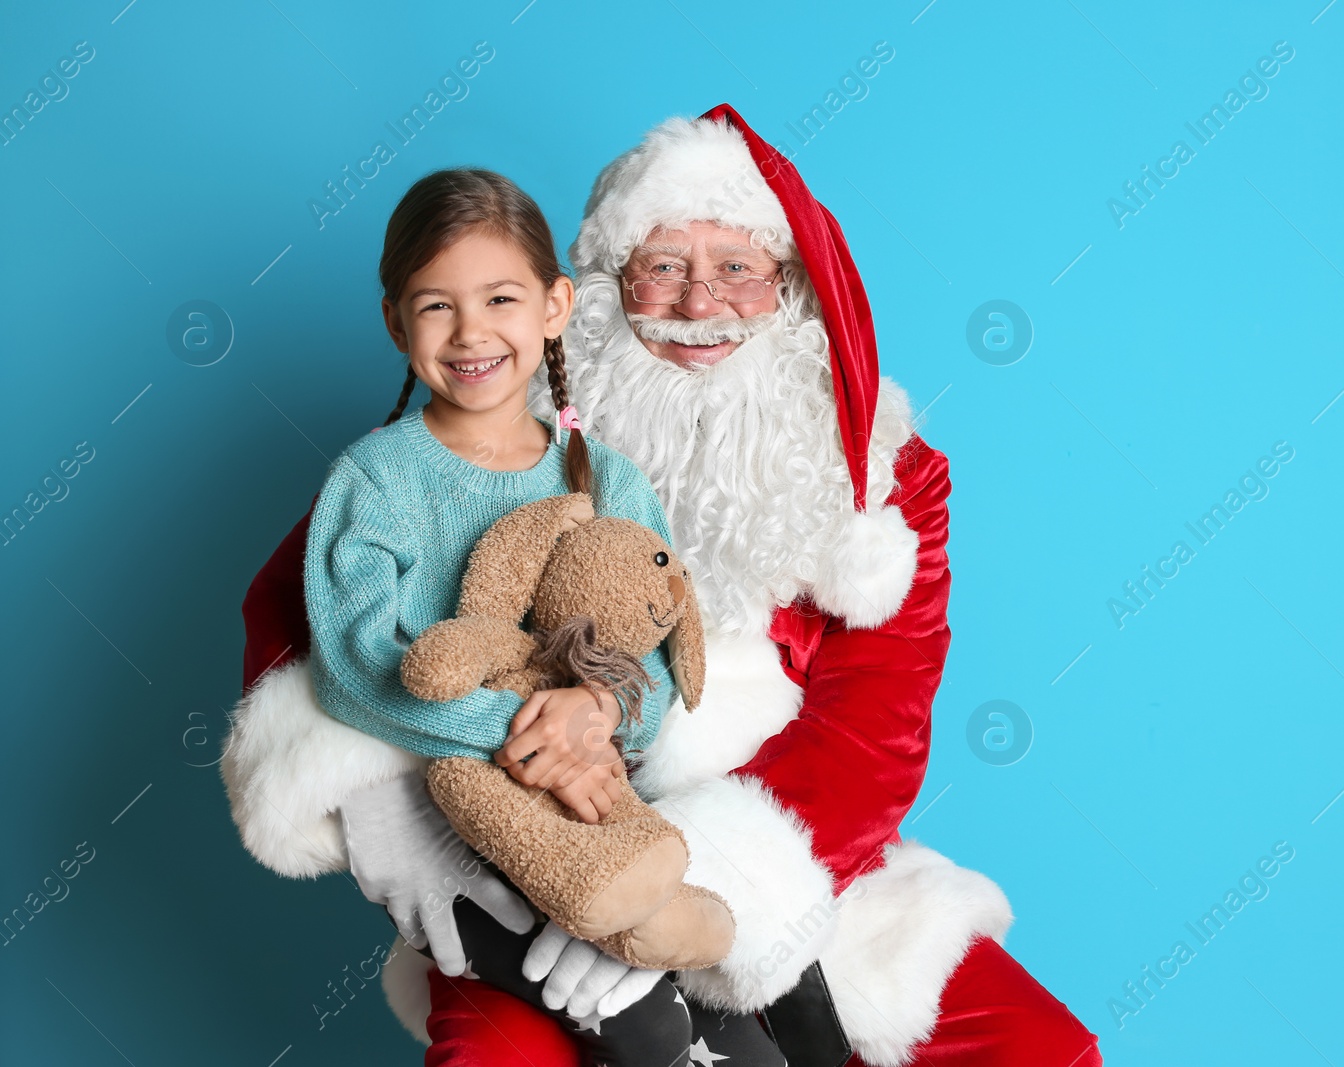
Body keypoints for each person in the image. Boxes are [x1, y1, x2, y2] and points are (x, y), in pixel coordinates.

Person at [224, 105, 1102, 1066]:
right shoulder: (501, 439)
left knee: (1035, 1051)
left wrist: (703, 887)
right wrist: (397, 825)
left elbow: (874, 730)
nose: (697, 305)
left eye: (736, 267)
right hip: (523, 852)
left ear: (791, 290)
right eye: (664, 267)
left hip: (787, 858)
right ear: (597, 292)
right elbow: (306, 612)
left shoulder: (885, 477)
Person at [235, 165, 787, 1065]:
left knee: (737, 1031)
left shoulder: (606, 478)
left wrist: (598, 711)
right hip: (440, 809)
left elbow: (652, 645)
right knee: (645, 1029)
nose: (471, 332)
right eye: (436, 305)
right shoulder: (376, 480)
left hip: (591, 799)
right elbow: (357, 665)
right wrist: (528, 730)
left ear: (556, 305)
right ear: (395, 322)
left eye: (500, 297)